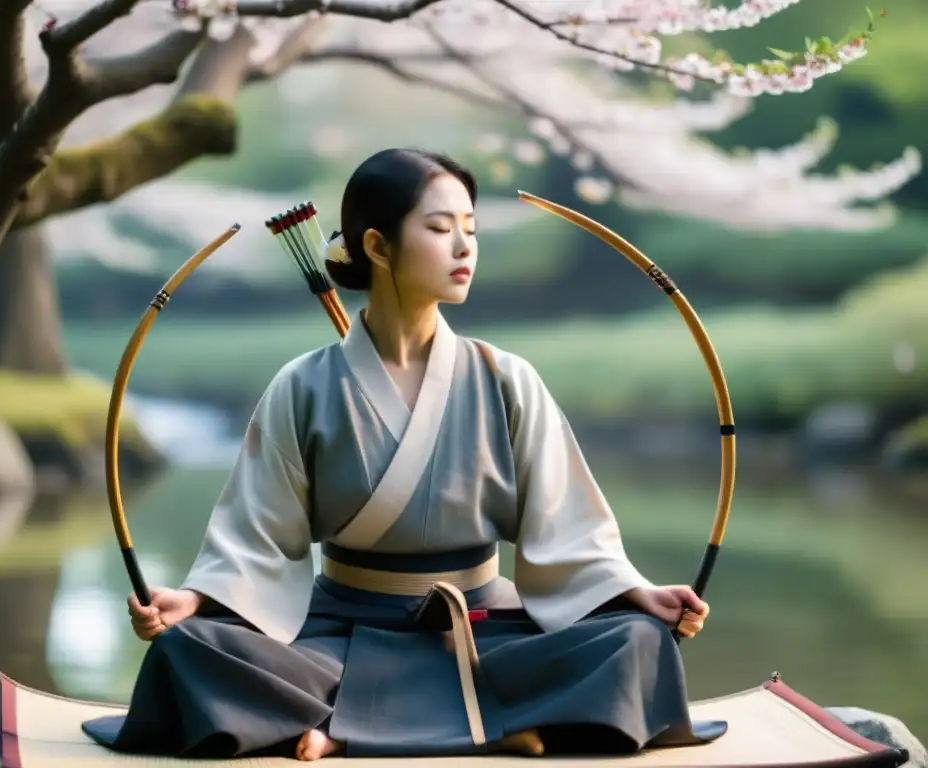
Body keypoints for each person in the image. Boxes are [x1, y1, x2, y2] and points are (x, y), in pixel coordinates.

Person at [82, 147, 722, 761]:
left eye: (471, 228)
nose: (465, 247)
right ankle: (500, 728)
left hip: (483, 628)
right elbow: (255, 539)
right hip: (337, 636)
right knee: (191, 650)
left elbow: (571, 532)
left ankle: (339, 728)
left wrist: (634, 592)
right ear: (378, 246)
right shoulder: (302, 386)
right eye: (441, 228)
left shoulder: (506, 379)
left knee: (635, 643)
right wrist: (196, 600)